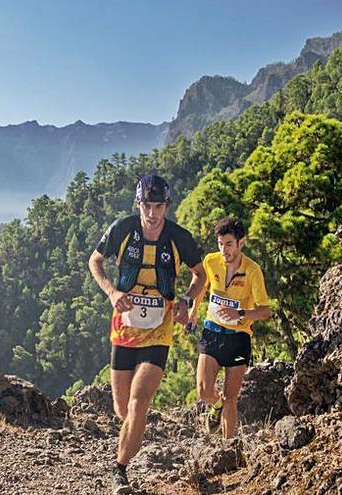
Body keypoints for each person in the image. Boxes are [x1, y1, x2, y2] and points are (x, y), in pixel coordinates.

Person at [88, 174, 206, 494]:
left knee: (139, 404)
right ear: (138, 204)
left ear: (167, 205)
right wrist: (112, 293)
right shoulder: (123, 228)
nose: (152, 213)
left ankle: (119, 470)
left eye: (158, 206)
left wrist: (186, 301)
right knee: (122, 409)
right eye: (146, 206)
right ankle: (133, 436)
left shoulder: (179, 238)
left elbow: (200, 275)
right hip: (123, 326)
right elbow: (95, 261)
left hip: (159, 329)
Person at [192, 217, 272, 438]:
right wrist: (193, 312)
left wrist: (241, 314)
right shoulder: (211, 261)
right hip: (212, 332)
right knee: (203, 391)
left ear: (241, 243)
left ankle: (228, 447)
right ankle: (215, 406)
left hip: (238, 338)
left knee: (231, 398)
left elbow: (265, 311)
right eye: (220, 243)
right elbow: (201, 285)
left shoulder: (252, 270)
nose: (223, 249)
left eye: (228, 244)